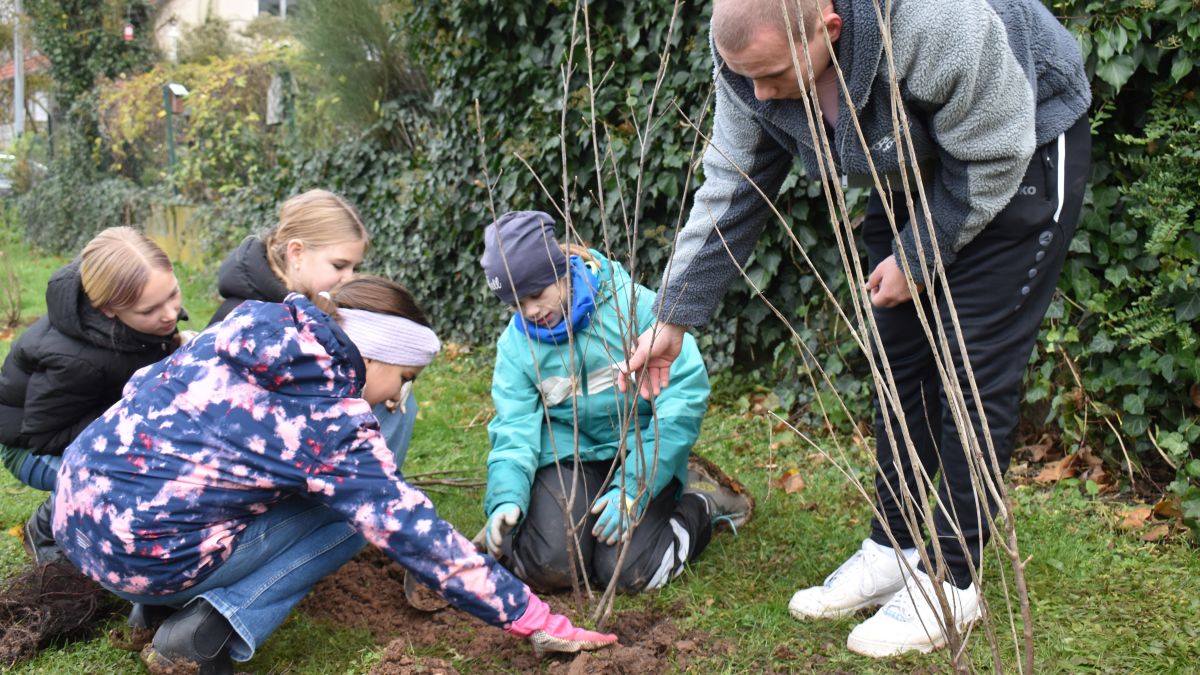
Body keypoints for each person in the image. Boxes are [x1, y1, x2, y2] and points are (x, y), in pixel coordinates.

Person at [619, 0, 1091, 657]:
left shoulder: (936, 25)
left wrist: (918, 257)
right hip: (912, 163)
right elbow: (733, 182)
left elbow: (993, 153)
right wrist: (674, 317)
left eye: (775, 74)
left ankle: (952, 581)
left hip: (1020, 149)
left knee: (971, 369)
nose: (760, 93)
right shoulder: (748, 52)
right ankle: (892, 546)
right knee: (899, 358)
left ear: (830, 28)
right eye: (746, 77)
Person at [52, 277, 617, 673]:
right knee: (358, 520)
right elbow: (416, 534)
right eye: (406, 376)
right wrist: (536, 618)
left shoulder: (253, 325)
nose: (400, 396)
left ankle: (149, 608)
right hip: (148, 558)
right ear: (376, 357)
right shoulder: (326, 417)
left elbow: (142, 391)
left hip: (79, 515)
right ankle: (209, 629)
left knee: (226, 491)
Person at [479, 211, 752, 595]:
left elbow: (684, 395)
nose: (530, 312)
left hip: (638, 453)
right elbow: (514, 430)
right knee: (551, 567)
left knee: (628, 573)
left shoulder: (636, 309)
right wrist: (506, 497)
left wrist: (635, 488)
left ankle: (698, 503)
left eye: (537, 295)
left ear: (562, 271)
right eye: (516, 303)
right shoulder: (516, 346)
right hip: (567, 458)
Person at [0, 226, 188, 565]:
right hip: (28, 448)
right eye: (149, 310)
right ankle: (45, 525)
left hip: (81, 420)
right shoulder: (75, 362)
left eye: (173, 294)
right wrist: (130, 409)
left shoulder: (146, 317)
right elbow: (45, 437)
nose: (170, 314)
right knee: (126, 478)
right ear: (108, 310)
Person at [208, 189, 419, 468]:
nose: (349, 279)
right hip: (242, 480)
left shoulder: (312, 303)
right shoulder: (248, 319)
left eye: (355, 268)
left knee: (400, 403)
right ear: (297, 252)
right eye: (339, 266)